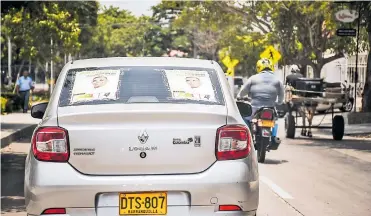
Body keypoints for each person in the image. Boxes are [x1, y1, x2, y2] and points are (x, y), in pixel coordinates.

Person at [237, 58, 284, 146]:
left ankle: (248, 137)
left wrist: (239, 97)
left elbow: (242, 92)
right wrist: (279, 102)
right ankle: (273, 137)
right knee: (274, 121)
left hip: (255, 108)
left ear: (259, 67)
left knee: (245, 118)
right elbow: (281, 96)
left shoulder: (253, 78)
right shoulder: (278, 81)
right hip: (270, 108)